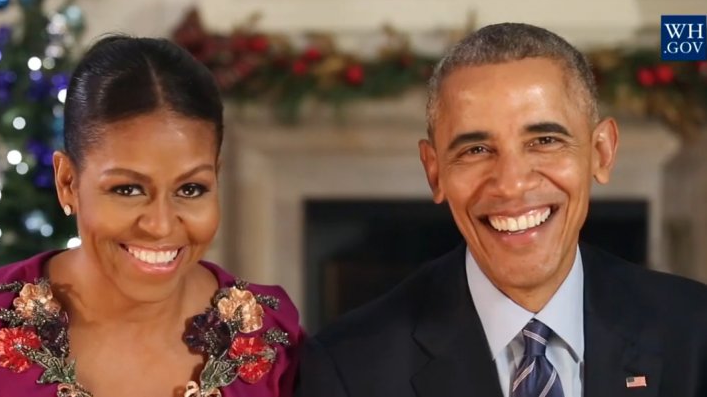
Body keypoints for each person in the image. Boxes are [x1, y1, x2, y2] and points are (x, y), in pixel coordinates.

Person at [294, 22, 707, 397]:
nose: (511, 184)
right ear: (434, 172)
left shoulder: (694, 333)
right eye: (475, 150)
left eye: (545, 141)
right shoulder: (350, 368)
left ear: (601, 152)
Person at [0, 35, 303, 397]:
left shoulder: (273, 346)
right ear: (68, 182)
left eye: (190, 189)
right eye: (127, 189)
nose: (160, 224)